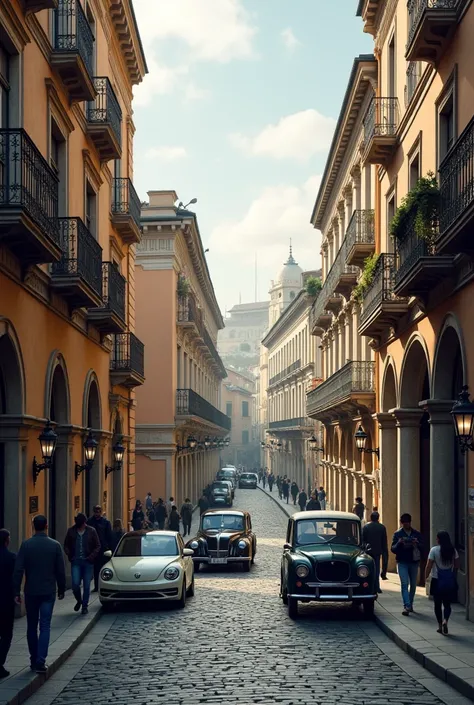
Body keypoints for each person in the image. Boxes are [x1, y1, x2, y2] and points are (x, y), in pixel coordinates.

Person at [13, 515, 66, 674]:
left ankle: (33, 658)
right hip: (48, 591)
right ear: (47, 526)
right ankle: (40, 661)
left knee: (31, 626)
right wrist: (62, 588)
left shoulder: (26, 545)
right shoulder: (55, 545)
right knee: (45, 626)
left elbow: (18, 569)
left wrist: (16, 590)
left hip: (31, 591)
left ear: (33, 526)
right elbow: (60, 570)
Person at [64, 513, 100, 615]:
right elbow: (66, 545)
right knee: (75, 584)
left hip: (88, 561)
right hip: (76, 561)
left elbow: (97, 545)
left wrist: (91, 556)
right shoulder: (71, 531)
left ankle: (84, 606)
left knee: (87, 585)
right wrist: (69, 554)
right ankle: (79, 600)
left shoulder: (91, 531)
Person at [425, 531, 459, 635]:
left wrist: (426, 576)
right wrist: (453, 576)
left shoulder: (434, 550)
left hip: (436, 580)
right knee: (447, 604)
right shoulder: (453, 550)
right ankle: (446, 621)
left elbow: (429, 565)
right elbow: (457, 565)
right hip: (448, 580)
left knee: (437, 604)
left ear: (439, 539)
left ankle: (440, 625)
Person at [391, 513, 423, 616]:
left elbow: (423, 547)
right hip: (402, 562)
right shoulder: (397, 534)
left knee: (413, 585)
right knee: (405, 584)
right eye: (404, 524)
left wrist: (416, 543)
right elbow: (393, 549)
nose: (406, 525)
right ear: (402, 523)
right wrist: (399, 543)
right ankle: (407, 605)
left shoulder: (416, 534)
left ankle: (410, 603)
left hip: (414, 562)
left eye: (408, 523)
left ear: (410, 522)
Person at [0, 529, 16, 679]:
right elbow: (15, 579)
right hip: (5, 601)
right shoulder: (11, 558)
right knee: (6, 634)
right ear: (6, 541)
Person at [87, 505, 112, 593]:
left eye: (99, 511)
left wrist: (109, 548)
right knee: (96, 569)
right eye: (96, 511)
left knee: (104, 567)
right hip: (93, 548)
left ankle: (104, 585)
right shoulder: (90, 521)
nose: (97, 513)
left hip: (103, 548)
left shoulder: (105, 522)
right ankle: (97, 586)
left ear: (101, 512)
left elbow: (109, 536)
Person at [362, 512, 388, 594]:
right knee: (376, 569)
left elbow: (363, 540)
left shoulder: (366, 527)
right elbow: (384, 541)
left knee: (368, 569)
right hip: (377, 551)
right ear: (378, 518)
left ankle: (369, 586)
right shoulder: (382, 527)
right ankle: (376, 586)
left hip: (367, 551)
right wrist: (384, 551)